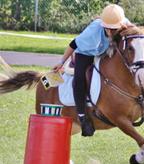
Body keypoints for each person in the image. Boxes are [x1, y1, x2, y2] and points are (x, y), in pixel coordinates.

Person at [53, 4, 132, 137]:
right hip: (85, 53)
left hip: (102, 52)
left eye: (115, 29)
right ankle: (83, 117)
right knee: (79, 80)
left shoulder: (126, 25)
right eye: (108, 29)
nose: (111, 32)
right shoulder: (93, 30)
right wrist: (61, 62)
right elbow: (73, 44)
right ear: (103, 25)